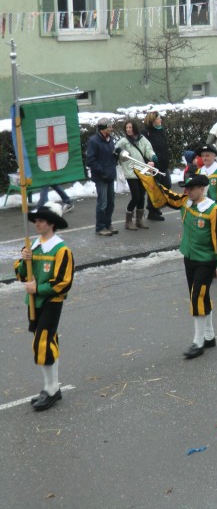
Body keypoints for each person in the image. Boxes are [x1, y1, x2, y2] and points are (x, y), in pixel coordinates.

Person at [137, 171, 217, 358]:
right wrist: (148, 177)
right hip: (189, 258)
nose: (187, 192)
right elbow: (165, 196)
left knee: (197, 298)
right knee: (200, 297)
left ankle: (198, 341)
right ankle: (209, 336)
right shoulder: (185, 202)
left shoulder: (212, 210)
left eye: (192, 189)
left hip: (206, 260)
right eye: (186, 189)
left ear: (202, 189)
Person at [14, 203, 74, 411]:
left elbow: (63, 282)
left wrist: (38, 288)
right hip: (33, 302)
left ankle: (51, 390)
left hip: (51, 302)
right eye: (36, 220)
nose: (36, 224)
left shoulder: (61, 250)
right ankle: (51, 388)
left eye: (41, 220)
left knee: (43, 342)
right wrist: (24, 260)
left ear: (51, 223)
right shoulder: (34, 247)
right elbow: (21, 274)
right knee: (47, 341)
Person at [115, 119, 157, 231]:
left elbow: (148, 149)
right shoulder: (124, 141)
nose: (128, 129)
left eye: (130, 127)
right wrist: (118, 151)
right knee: (136, 196)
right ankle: (128, 221)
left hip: (142, 170)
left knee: (142, 196)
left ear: (134, 128)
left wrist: (152, 156)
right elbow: (115, 149)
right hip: (130, 171)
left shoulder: (142, 139)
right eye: (127, 128)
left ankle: (139, 221)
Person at [86, 118, 118, 237]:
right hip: (101, 177)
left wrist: (116, 155)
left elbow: (110, 155)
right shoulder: (93, 141)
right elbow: (90, 160)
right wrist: (102, 171)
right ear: (103, 128)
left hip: (110, 175)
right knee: (102, 203)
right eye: (109, 127)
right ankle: (100, 227)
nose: (111, 128)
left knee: (111, 202)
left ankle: (108, 224)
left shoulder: (110, 139)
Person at [142, 110, 171, 222]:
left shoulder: (160, 130)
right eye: (158, 118)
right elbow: (145, 149)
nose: (160, 120)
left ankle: (157, 206)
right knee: (155, 188)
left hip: (163, 164)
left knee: (166, 184)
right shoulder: (146, 132)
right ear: (153, 120)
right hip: (154, 165)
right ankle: (152, 211)